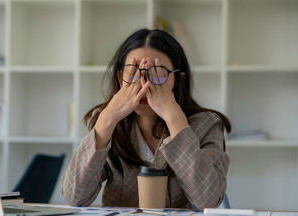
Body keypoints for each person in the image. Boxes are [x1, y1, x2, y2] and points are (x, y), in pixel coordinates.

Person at [62, 28, 231, 211]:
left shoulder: (207, 124)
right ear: (120, 78)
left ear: (178, 80)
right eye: (133, 72)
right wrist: (107, 119)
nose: (144, 84)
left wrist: (175, 119)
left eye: (157, 73)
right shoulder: (109, 123)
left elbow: (208, 201)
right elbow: (75, 197)